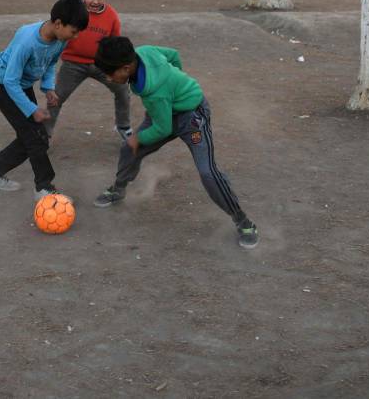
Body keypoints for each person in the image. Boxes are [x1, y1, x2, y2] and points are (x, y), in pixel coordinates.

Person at [90, 37, 260, 249]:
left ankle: (244, 222)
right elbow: (174, 55)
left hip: (192, 118)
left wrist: (139, 137)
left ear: (125, 67)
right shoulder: (144, 51)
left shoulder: (155, 93)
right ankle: (118, 189)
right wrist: (174, 80)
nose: (108, 78)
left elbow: (163, 129)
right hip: (162, 112)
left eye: (109, 74)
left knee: (208, 173)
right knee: (129, 149)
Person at [0, 0, 89, 200]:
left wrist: (48, 88)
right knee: (35, 139)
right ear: (58, 23)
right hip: (3, 86)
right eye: (73, 32)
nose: (76, 37)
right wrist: (31, 109)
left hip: (21, 86)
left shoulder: (60, 40)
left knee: (37, 138)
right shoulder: (27, 40)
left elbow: (51, 62)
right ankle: (44, 187)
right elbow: (10, 80)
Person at [44, 0, 130, 141]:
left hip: (101, 64)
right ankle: (44, 134)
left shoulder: (112, 16)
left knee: (122, 89)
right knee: (56, 97)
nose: (95, 2)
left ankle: (123, 126)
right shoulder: (74, 12)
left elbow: (115, 44)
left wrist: (116, 66)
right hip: (73, 64)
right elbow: (56, 31)